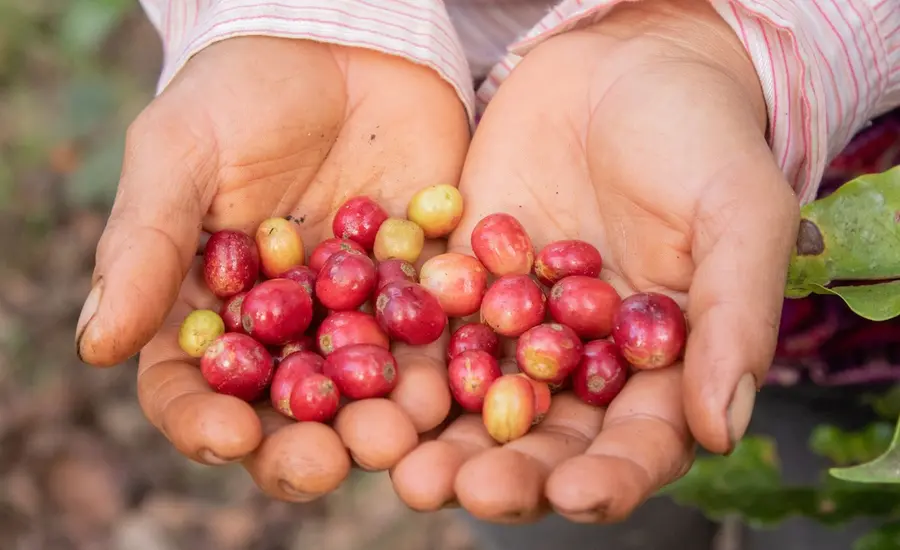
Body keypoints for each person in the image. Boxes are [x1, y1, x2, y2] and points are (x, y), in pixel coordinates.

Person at [74, 0, 900, 547]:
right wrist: (293, 17)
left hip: (854, 271)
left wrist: (728, 39)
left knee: (825, 511)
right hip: (564, 190)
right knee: (550, 502)